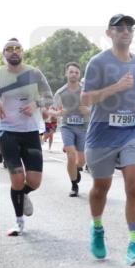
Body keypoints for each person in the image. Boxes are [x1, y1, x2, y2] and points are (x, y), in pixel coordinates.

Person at [81, 14, 135, 266]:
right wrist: (116, 87)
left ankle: (134, 244)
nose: (126, 31)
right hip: (102, 132)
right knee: (101, 188)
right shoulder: (97, 63)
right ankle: (98, 228)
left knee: (134, 186)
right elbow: (85, 99)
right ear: (109, 33)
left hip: (132, 130)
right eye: (119, 28)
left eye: (130, 28)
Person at [0, 38, 53, 236]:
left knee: (34, 181)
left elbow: (50, 96)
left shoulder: (34, 73)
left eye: (17, 48)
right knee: (17, 178)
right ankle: (19, 222)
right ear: (4, 53)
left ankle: (22, 194)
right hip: (7, 132)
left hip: (30, 131)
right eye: (9, 49)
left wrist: (36, 104)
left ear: (22, 52)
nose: (14, 52)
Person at [52, 61, 90, 197]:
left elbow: (97, 107)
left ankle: (77, 168)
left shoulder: (85, 90)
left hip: (83, 127)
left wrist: (88, 110)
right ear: (66, 73)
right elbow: (52, 110)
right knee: (70, 155)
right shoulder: (60, 92)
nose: (74, 74)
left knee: (82, 160)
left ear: (80, 75)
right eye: (71, 72)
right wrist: (59, 113)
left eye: (76, 72)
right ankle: (74, 185)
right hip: (67, 126)